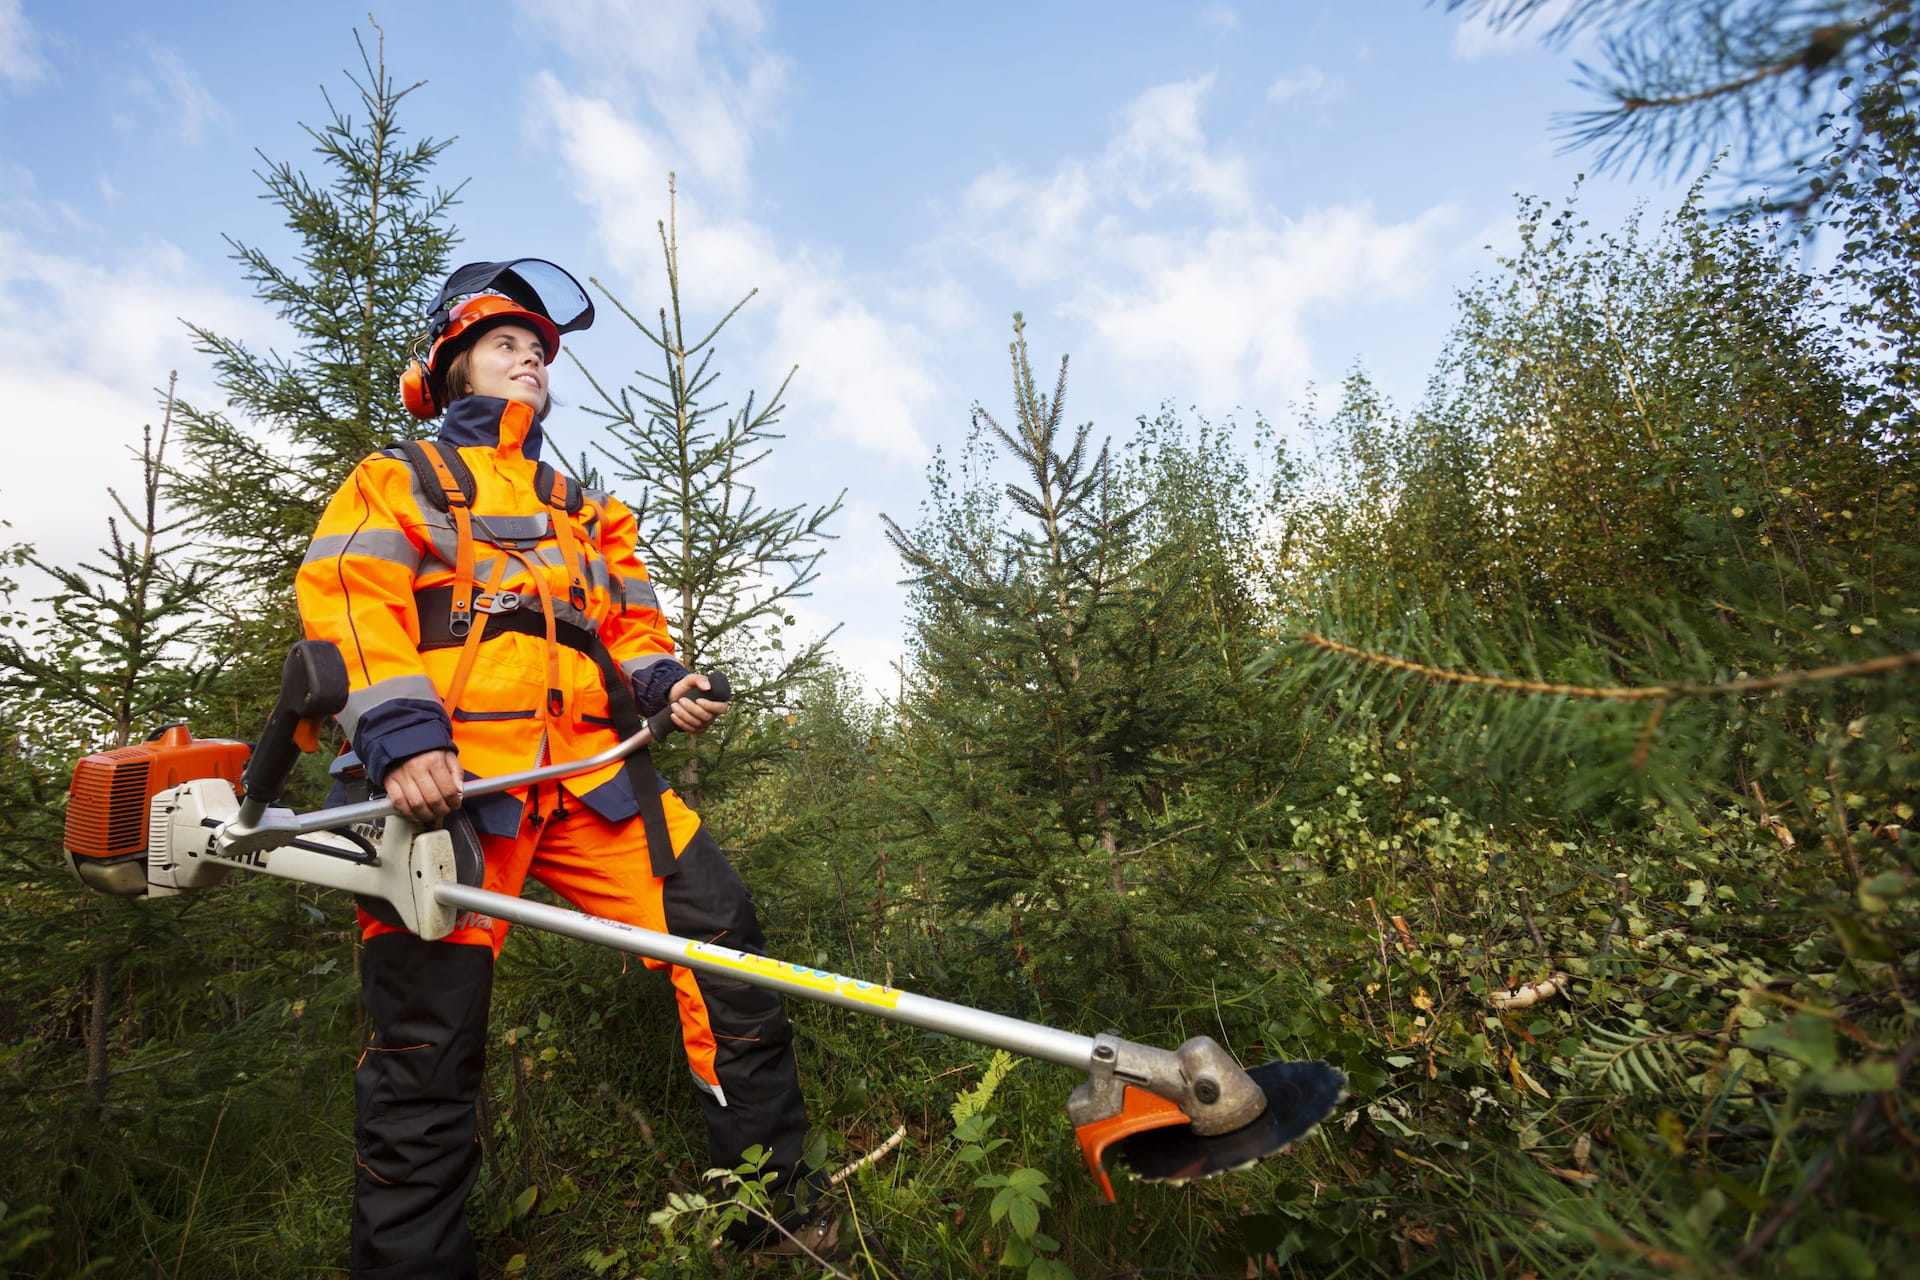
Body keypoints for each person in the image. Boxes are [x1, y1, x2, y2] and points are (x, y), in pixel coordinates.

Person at [296, 260, 824, 1277]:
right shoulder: (396, 477)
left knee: (727, 950)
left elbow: (628, 625)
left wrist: (666, 680)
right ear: (451, 369)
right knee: (427, 1040)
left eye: (540, 351)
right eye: (508, 345)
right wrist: (403, 741)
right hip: (452, 789)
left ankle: (775, 1214)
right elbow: (351, 600)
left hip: (594, 779)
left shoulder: (586, 510)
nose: (532, 360)